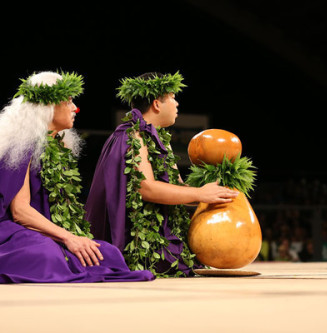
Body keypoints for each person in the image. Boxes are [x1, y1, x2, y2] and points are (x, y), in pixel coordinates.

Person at [0, 71, 154, 283]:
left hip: (47, 233)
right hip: (12, 232)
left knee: (108, 254)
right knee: (46, 254)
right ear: (48, 105)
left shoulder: (58, 148)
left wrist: (72, 237)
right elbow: (20, 212)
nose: (76, 108)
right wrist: (69, 238)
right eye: (69, 101)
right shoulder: (19, 146)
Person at [85, 71, 238, 277]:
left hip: (158, 235)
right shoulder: (133, 135)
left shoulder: (159, 139)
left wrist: (214, 191)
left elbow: (179, 190)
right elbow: (146, 188)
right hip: (138, 242)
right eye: (173, 97)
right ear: (157, 104)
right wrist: (200, 194)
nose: (177, 104)